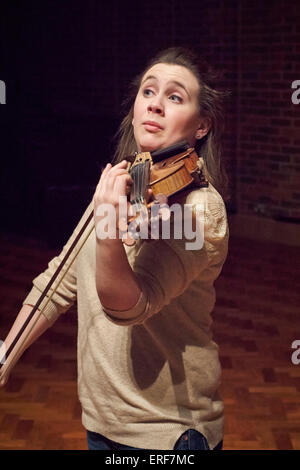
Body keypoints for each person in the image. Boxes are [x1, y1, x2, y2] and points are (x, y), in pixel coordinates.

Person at [0, 47, 229, 451]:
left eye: (175, 97)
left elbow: (128, 308)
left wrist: (109, 227)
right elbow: (59, 281)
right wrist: (7, 352)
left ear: (201, 126)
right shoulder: (123, 184)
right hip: (102, 421)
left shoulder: (200, 210)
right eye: (148, 91)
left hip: (169, 432)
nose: (155, 104)